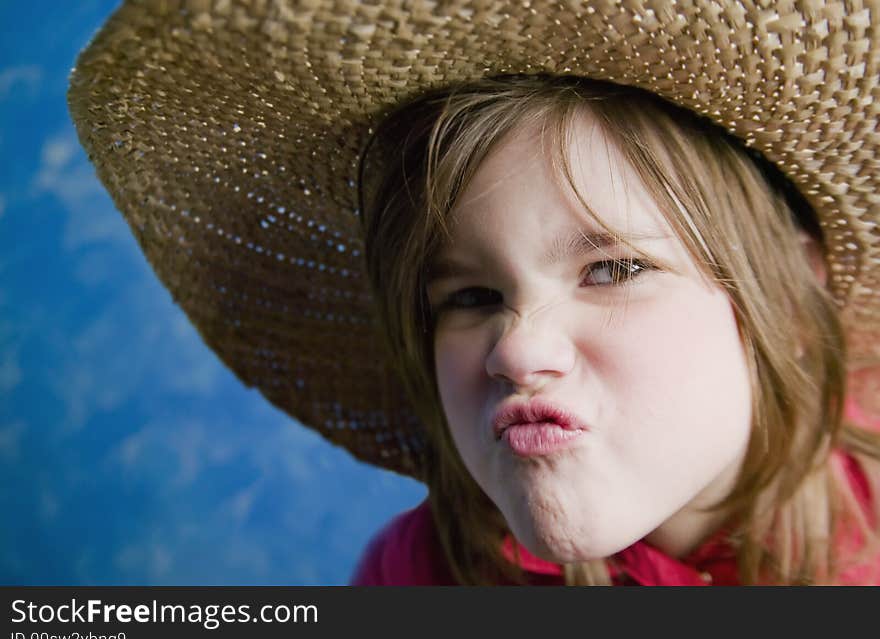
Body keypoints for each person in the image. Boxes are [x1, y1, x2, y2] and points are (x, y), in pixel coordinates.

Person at [68, 1, 880, 585]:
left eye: (613, 268)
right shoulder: (417, 579)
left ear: (791, 296)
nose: (516, 346)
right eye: (468, 297)